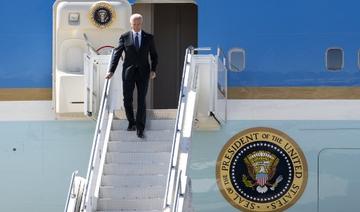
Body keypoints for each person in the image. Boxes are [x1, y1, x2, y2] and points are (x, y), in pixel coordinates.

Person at [105, 13, 158, 138]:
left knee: (141, 100)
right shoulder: (124, 37)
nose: (136, 26)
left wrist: (153, 70)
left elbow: (154, 56)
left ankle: (140, 128)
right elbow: (117, 54)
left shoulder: (148, 37)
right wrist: (111, 71)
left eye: (139, 24)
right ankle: (131, 122)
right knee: (127, 99)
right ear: (131, 24)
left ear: (142, 23)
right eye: (134, 24)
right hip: (128, 72)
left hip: (144, 73)